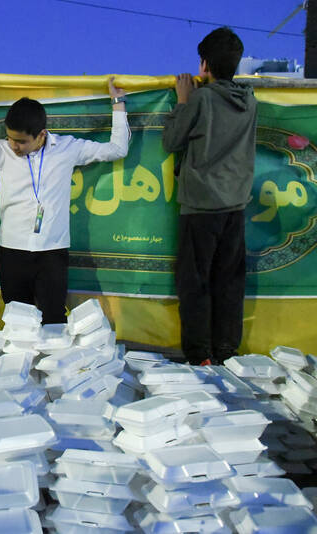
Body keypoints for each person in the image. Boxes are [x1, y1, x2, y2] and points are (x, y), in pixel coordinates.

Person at [0, 77, 130, 324]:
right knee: (17, 322)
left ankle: (53, 362)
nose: (14, 145)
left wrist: (118, 103)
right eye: (10, 138)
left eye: (21, 141)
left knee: (54, 319)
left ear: (41, 134)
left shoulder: (68, 148)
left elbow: (117, 149)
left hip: (52, 252)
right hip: (12, 251)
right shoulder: (0, 151)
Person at [162, 27, 256, 366]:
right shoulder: (249, 101)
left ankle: (200, 354)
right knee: (229, 282)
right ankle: (226, 352)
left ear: (203, 65)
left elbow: (172, 140)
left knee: (195, 282)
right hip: (236, 204)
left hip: (201, 206)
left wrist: (183, 100)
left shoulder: (201, 100)